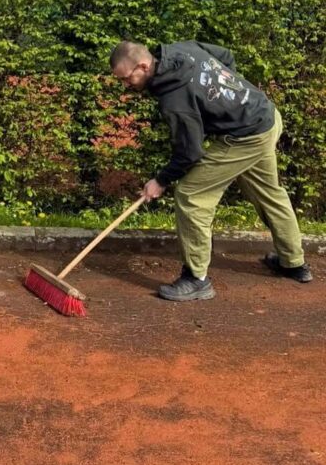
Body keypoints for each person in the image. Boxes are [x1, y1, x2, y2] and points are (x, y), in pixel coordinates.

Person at [109, 39, 311, 302]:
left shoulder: (174, 98)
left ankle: (196, 279)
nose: (126, 85)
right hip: (265, 116)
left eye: (127, 79)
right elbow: (225, 54)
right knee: (268, 192)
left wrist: (161, 181)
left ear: (144, 66)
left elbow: (190, 153)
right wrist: (229, 101)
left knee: (191, 196)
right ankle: (294, 262)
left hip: (247, 136)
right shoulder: (181, 49)